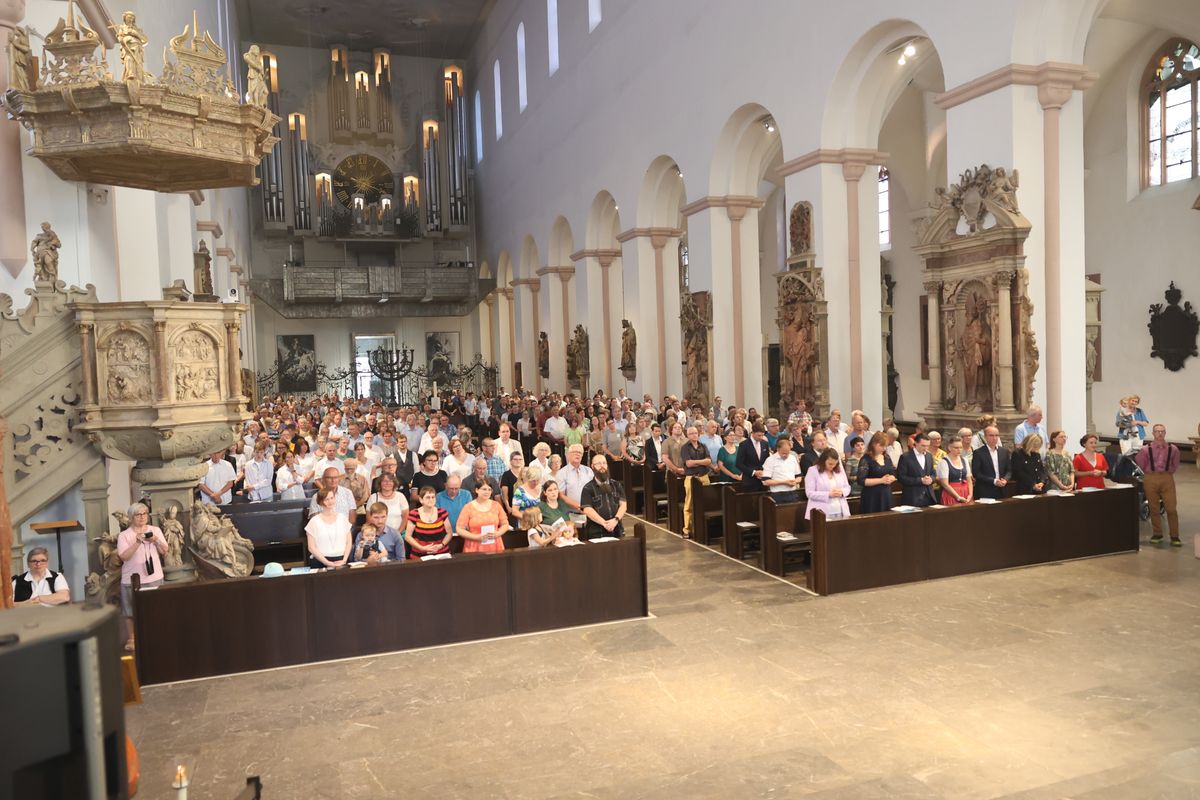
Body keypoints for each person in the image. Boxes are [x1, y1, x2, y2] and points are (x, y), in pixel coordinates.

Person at [118, 503, 167, 651]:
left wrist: (156, 540)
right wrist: (137, 542)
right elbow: (124, 557)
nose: (142, 517)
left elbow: (165, 550)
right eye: (138, 515)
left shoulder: (155, 530)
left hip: (154, 577)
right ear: (132, 517)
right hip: (131, 579)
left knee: (155, 609)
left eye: (145, 513)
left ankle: (155, 635)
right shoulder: (124, 535)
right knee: (130, 611)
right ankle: (132, 638)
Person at [1135, 424, 1180, 546]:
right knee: (1154, 508)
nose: (1159, 433)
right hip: (1150, 478)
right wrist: (1150, 474)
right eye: (1157, 431)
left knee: (1171, 508)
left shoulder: (1173, 449)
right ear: (1153, 433)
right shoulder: (1145, 449)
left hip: (1167, 478)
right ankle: (1157, 533)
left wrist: (1167, 473)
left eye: (1162, 431)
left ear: (1165, 433)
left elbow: (1175, 464)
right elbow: (1140, 463)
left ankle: (1175, 536)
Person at [580, 453, 626, 540]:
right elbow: (587, 509)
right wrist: (604, 523)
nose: (602, 466)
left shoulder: (616, 485)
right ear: (592, 466)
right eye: (598, 464)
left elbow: (623, 505)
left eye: (604, 463)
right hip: (596, 533)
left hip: (617, 529)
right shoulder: (587, 488)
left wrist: (615, 520)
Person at [305, 487, 353, 569]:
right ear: (320, 502)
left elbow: (349, 542)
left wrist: (344, 560)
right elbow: (311, 547)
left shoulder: (342, 518)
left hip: (342, 560)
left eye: (332, 498)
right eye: (326, 499)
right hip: (320, 561)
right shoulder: (314, 521)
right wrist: (327, 562)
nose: (330, 501)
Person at [456, 481, 510, 553]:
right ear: (477, 490)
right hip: (474, 547)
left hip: (495, 546)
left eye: (489, 489)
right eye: (484, 489)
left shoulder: (496, 505)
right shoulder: (468, 507)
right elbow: (459, 529)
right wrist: (476, 537)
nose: (487, 492)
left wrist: (498, 533)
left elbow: (505, 524)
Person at [681, 425, 712, 538]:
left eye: (695, 433)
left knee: (707, 501)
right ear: (688, 436)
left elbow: (709, 461)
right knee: (689, 503)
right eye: (691, 433)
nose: (694, 435)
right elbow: (688, 463)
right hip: (691, 478)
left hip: (704, 476)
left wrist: (696, 462)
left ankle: (703, 526)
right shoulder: (685, 447)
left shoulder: (703, 446)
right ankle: (686, 529)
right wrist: (701, 462)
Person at [404, 485, 453, 558]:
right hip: (419, 554)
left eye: (433, 497)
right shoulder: (414, 514)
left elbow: (449, 533)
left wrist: (441, 545)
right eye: (428, 497)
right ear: (421, 499)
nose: (431, 499)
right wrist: (422, 548)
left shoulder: (442, 513)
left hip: (441, 553)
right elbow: (407, 536)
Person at [804, 448, 851, 521]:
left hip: (840, 509)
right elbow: (809, 493)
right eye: (830, 464)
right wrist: (828, 494)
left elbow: (847, 487)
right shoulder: (813, 470)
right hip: (821, 511)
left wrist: (841, 492)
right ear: (823, 461)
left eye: (835, 464)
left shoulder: (839, 470)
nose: (832, 466)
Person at [857, 432, 897, 513]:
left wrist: (890, 479)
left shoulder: (887, 457)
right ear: (874, 444)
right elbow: (861, 480)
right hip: (872, 496)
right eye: (881, 446)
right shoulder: (866, 459)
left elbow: (893, 474)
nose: (884, 448)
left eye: (885, 446)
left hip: (886, 494)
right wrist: (881, 480)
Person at [897, 433, 939, 507]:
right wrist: (920, 480)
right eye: (923, 445)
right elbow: (901, 477)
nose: (926, 448)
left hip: (929, 496)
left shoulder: (929, 456)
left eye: (927, 446)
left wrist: (931, 479)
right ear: (915, 443)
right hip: (912, 497)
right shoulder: (905, 457)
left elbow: (933, 473)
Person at [971, 426, 1011, 500]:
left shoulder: (1004, 452)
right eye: (991, 435)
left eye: (996, 435)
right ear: (985, 437)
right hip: (985, 490)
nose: (994, 438)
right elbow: (976, 473)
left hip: (1002, 490)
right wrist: (994, 481)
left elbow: (1009, 470)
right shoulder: (978, 453)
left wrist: (1005, 479)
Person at [759, 437, 804, 504]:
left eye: (788, 453)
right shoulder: (770, 460)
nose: (785, 455)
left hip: (792, 492)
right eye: (783, 453)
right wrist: (784, 482)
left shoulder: (792, 458)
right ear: (778, 449)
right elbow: (766, 481)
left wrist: (795, 481)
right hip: (777, 493)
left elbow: (799, 476)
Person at [554, 444, 593, 512]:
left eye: (579, 452)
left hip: (590, 511)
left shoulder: (588, 470)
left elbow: (594, 490)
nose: (577, 454)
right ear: (568, 455)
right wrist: (580, 507)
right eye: (574, 452)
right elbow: (561, 495)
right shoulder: (562, 473)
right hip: (571, 513)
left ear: (582, 455)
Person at [936, 436, 973, 505]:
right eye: (956, 448)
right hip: (951, 494)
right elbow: (945, 484)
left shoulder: (964, 460)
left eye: (961, 447)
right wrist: (958, 497)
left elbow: (969, 480)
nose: (959, 450)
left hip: (965, 492)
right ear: (949, 448)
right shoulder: (944, 462)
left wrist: (970, 494)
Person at [735, 423, 770, 491]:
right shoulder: (744, 445)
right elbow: (739, 464)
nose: (761, 437)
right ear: (753, 433)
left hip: (763, 481)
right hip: (749, 482)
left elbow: (767, 460)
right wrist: (754, 472)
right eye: (759, 435)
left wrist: (764, 472)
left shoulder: (764, 444)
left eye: (762, 435)